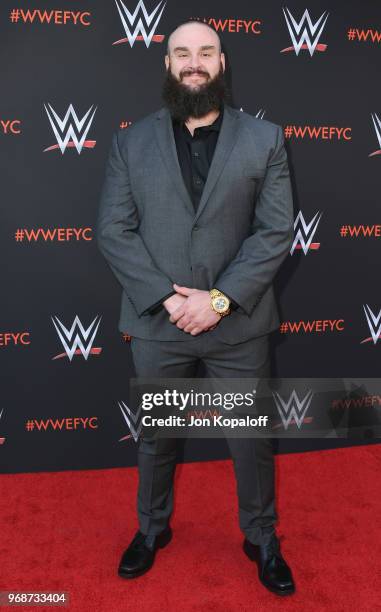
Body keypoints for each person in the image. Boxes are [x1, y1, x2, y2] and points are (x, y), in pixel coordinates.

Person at [96, 20, 295, 596]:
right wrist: (166, 298)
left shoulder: (265, 139)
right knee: (156, 436)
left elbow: (274, 231)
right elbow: (113, 230)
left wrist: (218, 301)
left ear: (222, 62)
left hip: (237, 323)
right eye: (182, 52)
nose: (194, 62)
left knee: (249, 438)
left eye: (206, 52)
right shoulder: (129, 142)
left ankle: (260, 537)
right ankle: (150, 529)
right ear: (167, 64)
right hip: (161, 323)